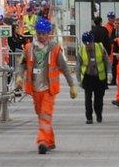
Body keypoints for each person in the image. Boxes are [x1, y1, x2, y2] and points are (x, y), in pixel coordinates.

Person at [15, 18, 77, 154]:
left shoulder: (55, 49)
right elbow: (22, 64)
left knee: (45, 114)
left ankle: (42, 141)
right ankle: (50, 141)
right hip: (35, 89)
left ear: (49, 33)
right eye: (39, 33)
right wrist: (19, 76)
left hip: (49, 89)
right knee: (41, 115)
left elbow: (65, 68)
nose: (41, 36)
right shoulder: (29, 48)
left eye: (44, 33)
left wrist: (72, 85)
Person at [76, 31, 109, 124]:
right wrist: (78, 79)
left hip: (99, 78)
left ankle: (99, 114)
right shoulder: (81, 50)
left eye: (89, 43)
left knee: (99, 99)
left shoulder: (100, 47)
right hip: (88, 78)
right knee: (88, 99)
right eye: (85, 44)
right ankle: (89, 118)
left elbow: (106, 61)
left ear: (92, 41)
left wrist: (110, 73)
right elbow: (78, 65)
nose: (88, 46)